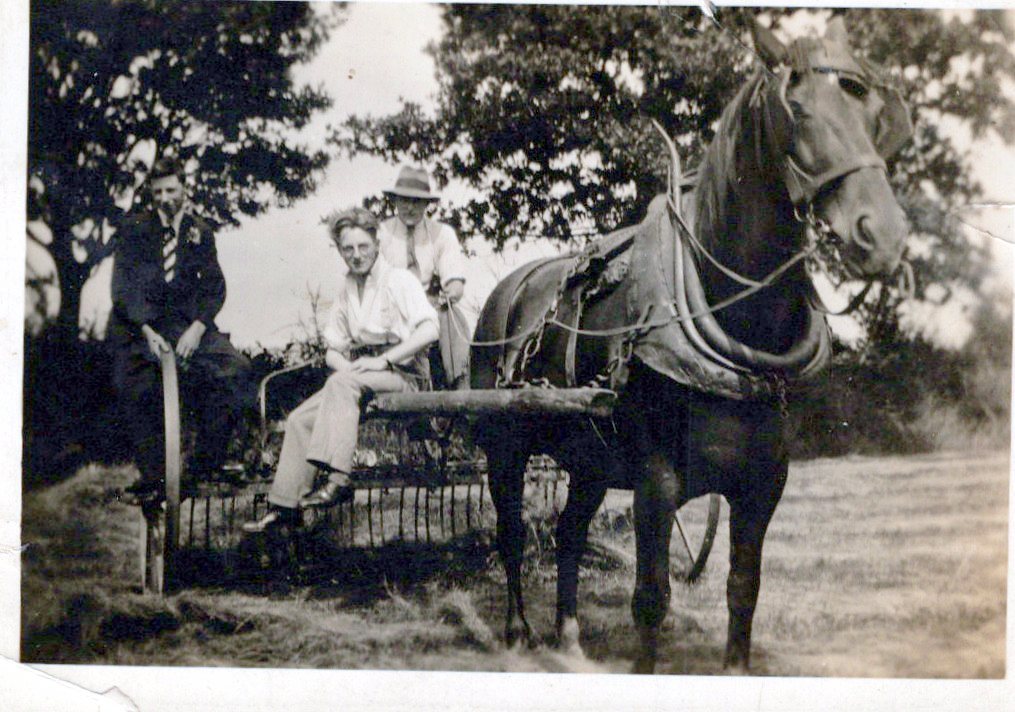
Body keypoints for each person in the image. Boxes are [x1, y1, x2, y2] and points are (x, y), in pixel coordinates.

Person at [242, 207, 439, 533]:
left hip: (405, 374)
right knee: (299, 419)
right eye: (348, 248)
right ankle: (284, 507)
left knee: (341, 384)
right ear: (339, 249)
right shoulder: (347, 289)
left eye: (363, 246)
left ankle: (339, 479)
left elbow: (429, 330)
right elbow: (333, 348)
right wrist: (349, 368)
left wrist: (384, 360)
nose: (356, 255)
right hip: (361, 378)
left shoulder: (399, 280)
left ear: (376, 243)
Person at [110, 156, 255, 502]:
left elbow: (216, 287)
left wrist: (197, 328)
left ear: (184, 190)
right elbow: (122, 288)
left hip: (189, 327)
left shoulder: (199, 232)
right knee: (133, 381)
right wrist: (146, 329)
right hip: (145, 328)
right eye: (158, 191)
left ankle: (205, 466)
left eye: (171, 189)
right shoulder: (134, 230)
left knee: (235, 370)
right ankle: (155, 477)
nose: (164, 198)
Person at [378, 166, 476, 389]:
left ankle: (461, 386)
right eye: (404, 200)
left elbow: (454, 279)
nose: (410, 207)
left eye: (417, 201)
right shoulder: (381, 233)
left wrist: (452, 290)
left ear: (426, 204)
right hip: (392, 307)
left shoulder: (442, 233)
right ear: (395, 201)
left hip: (427, 303)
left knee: (452, 317)